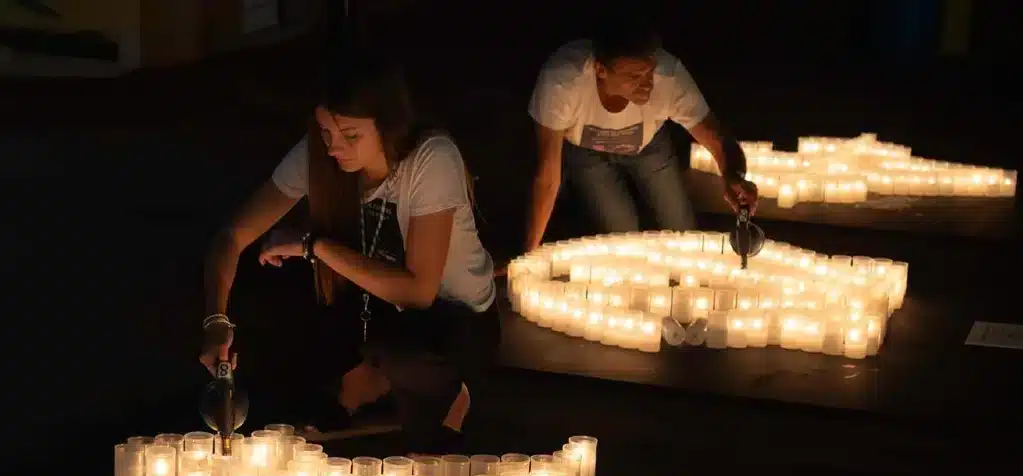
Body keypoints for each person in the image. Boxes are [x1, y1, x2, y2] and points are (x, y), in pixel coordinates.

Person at [200, 50, 499, 451]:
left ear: (387, 126)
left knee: (403, 359)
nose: (334, 147)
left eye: (351, 135)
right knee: (265, 291)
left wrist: (313, 246)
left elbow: (418, 292)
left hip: (453, 323)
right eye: (326, 133)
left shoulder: (431, 159)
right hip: (377, 313)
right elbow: (231, 238)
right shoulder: (322, 154)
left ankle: (442, 394)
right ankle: (373, 382)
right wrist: (216, 321)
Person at [523, 14, 758, 253]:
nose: (647, 83)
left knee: (681, 229)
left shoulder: (670, 78)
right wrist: (528, 252)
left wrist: (732, 174)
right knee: (622, 237)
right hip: (586, 154)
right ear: (600, 70)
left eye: (649, 72)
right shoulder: (563, 82)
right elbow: (547, 177)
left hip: (650, 148)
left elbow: (717, 139)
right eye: (634, 76)